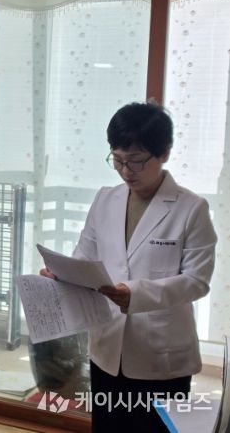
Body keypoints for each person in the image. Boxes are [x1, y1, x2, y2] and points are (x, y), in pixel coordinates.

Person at [41, 102, 216, 432]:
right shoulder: (105, 199)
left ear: (164, 153)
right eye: (118, 160)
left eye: (136, 161)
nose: (126, 171)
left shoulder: (191, 208)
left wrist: (135, 295)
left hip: (162, 357)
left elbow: (197, 280)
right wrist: (62, 275)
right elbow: (85, 256)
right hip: (107, 350)